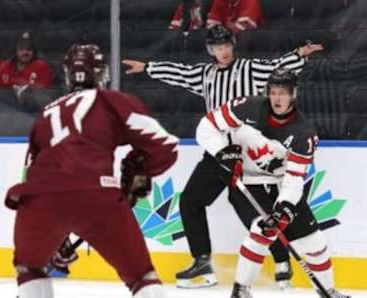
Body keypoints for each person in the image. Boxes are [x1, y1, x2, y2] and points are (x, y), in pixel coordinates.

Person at [122, 24, 323, 289]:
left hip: (249, 153)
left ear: (233, 46)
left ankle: (281, 261)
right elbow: (180, 73)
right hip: (218, 154)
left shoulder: (250, 69)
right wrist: (147, 67)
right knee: (191, 201)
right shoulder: (205, 75)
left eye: (226, 46)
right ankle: (203, 263)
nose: (222, 52)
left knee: (255, 210)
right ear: (211, 50)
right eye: (216, 48)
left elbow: (278, 68)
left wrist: (299, 54)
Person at [4, 44, 179, 298]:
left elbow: (30, 172)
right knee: (142, 276)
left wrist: (56, 229)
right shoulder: (113, 100)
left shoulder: (46, 114)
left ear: (67, 75)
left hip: (39, 202)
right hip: (97, 195)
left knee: (29, 269)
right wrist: (139, 168)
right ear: (101, 73)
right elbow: (165, 145)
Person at [195, 68, 350, 298]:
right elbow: (206, 127)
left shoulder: (303, 132)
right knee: (262, 230)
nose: (277, 98)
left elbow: (294, 178)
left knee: (314, 242)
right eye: (274, 92)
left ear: (293, 95)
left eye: (283, 93)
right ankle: (240, 291)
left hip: (280, 185)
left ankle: (328, 290)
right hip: (247, 183)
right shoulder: (247, 107)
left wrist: (284, 208)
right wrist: (222, 152)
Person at [0, 32, 53, 97]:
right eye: (21, 49)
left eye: (29, 49)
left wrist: (25, 86)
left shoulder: (42, 67)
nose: (25, 52)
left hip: (32, 105)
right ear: (16, 51)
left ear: (34, 52)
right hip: (6, 104)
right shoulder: (5, 66)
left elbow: (45, 94)